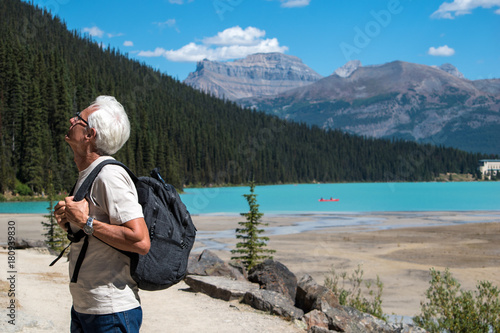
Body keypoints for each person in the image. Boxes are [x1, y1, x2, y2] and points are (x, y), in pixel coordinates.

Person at [54, 96, 150, 333]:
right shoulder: (89, 173)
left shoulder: (110, 175)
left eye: (78, 118)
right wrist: (69, 225)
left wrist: (84, 221)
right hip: (85, 307)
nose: (71, 120)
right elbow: (96, 232)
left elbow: (140, 240)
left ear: (90, 134)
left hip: (111, 312)